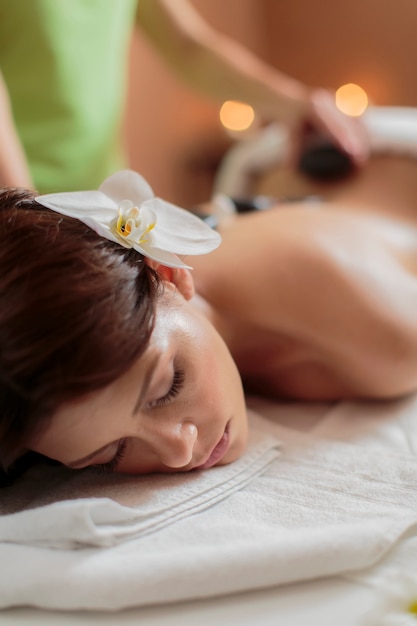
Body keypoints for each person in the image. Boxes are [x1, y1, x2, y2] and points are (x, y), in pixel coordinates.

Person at [1, 135, 417, 477]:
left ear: (166, 270)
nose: (179, 451)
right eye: (110, 454)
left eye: (169, 387)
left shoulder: (381, 334)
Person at [0, 0, 368, 193]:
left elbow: (190, 46)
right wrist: (26, 217)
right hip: (18, 210)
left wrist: (298, 105)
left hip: (101, 199)